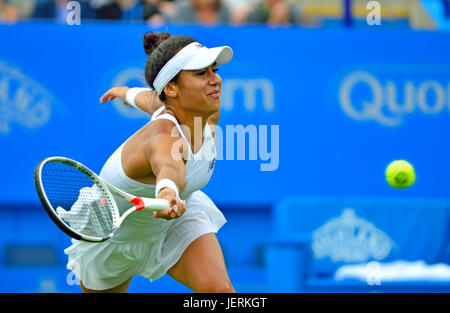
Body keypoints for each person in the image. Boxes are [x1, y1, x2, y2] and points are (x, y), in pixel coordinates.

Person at [65, 31, 236, 293]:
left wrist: (125, 92)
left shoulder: (204, 109)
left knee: (221, 293)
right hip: (113, 236)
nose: (215, 81)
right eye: (202, 74)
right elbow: (169, 167)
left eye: (214, 70)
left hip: (175, 219)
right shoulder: (162, 136)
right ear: (171, 88)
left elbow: (150, 99)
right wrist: (167, 192)